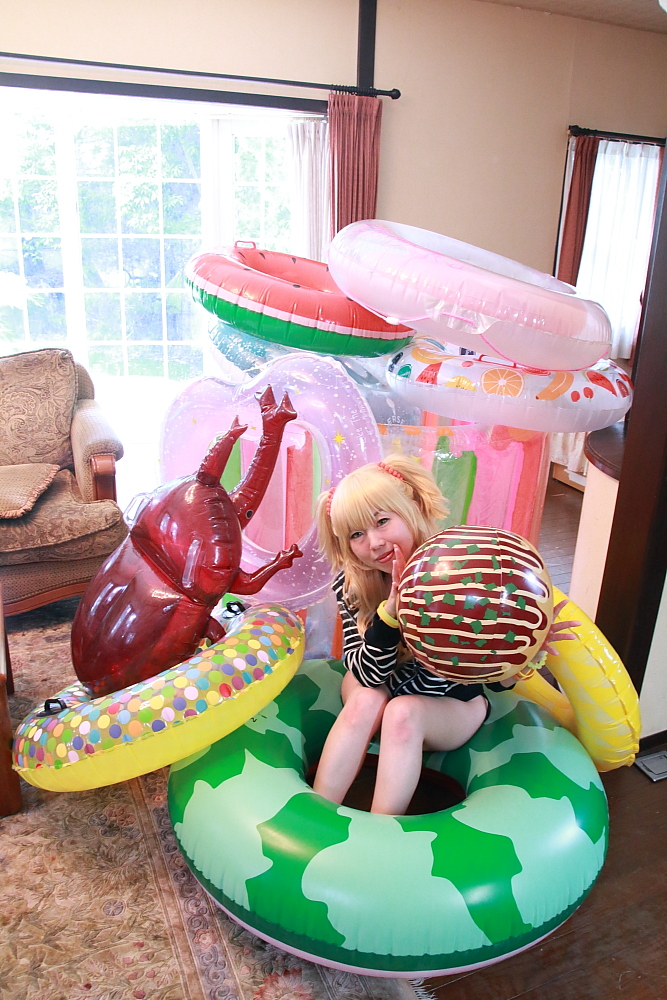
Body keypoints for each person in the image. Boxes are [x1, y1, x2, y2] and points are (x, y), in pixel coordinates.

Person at [313, 454, 576, 816]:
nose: (374, 542)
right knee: (365, 701)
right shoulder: (354, 584)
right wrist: (390, 613)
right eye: (356, 535)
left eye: (382, 521)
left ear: (412, 508)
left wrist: (523, 653)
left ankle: (380, 831)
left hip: (450, 701)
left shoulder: (458, 570)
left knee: (402, 713)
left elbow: (495, 682)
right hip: (381, 683)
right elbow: (368, 675)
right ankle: (317, 813)